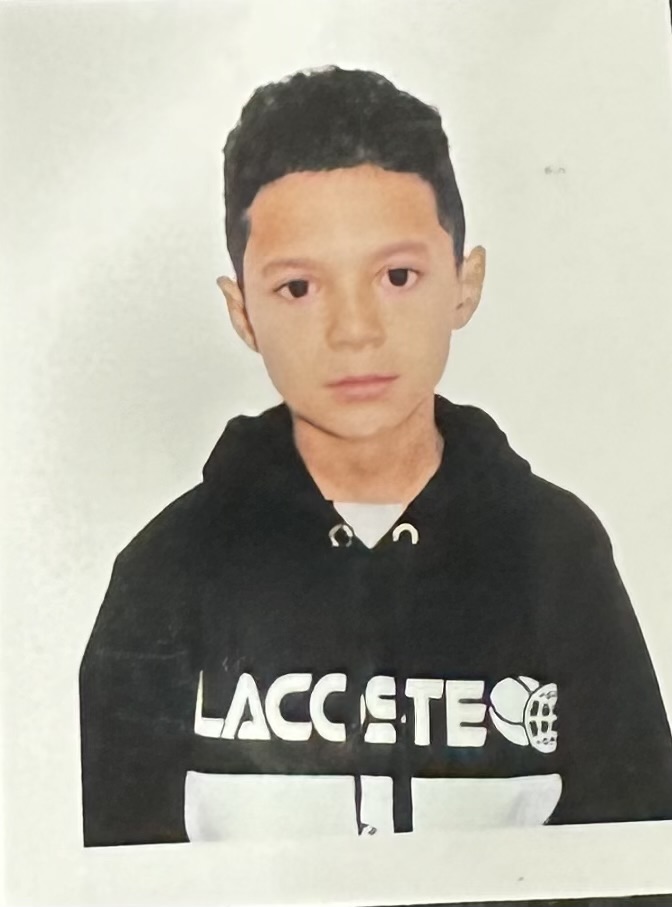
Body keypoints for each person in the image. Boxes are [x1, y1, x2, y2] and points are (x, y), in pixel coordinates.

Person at [78, 65, 672, 848]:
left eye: (397, 275)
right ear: (242, 311)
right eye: (299, 288)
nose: (354, 330)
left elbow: (640, 858)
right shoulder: (166, 573)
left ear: (464, 283)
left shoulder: (556, 553)